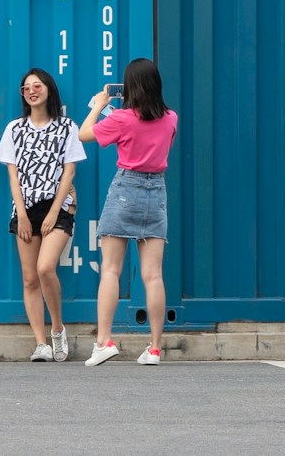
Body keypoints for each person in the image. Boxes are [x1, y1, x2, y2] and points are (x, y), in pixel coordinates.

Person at [77, 58, 178, 366]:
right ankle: (156, 347)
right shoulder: (171, 118)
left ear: (129, 87)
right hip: (156, 192)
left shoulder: (122, 118)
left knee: (110, 269)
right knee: (154, 275)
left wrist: (98, 104)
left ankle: (104, 341)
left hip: (125, 189)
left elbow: (84, 134)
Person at [0, 68, 86, 362]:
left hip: (58, 205)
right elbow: (13, 175)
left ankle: (57, 329)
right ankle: (40, 343)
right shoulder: (14, 129)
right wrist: (21, 213)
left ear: (49, 89)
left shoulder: (67, 127)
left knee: (46, 268)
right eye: (26, 88)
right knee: (30, 278)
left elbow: (70, 171)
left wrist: (55, 211)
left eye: (37, 85)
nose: (32, 90)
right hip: (25, 208)